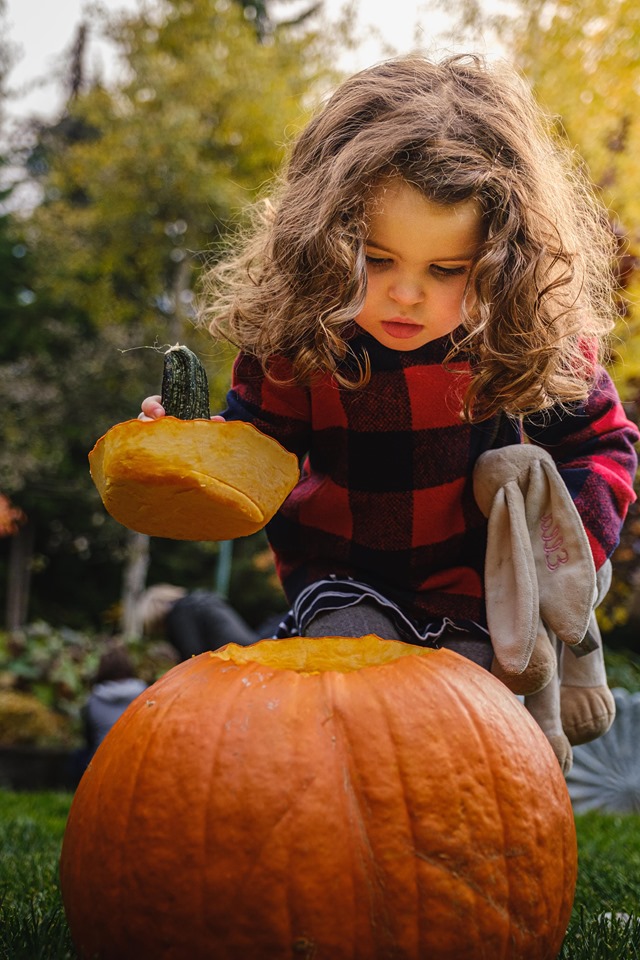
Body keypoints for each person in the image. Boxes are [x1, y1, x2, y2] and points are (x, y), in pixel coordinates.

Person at [140, 54, 639, 675]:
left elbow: (602, 445)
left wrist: (561, 561)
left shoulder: (524, 336)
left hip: (481, 593)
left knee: (471, 718)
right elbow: (256, 451)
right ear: (323, 239)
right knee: (353, 678)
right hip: (344, 577)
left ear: (502, 261)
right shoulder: (302, 336)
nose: (406, 294)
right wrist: (188, 448)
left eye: (446, 270)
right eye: (376, 261)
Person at [136, 583, 257, 659]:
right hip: (248, 651)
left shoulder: (180, 613)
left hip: (231, 659)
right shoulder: (199, 602)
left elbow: (193, 655)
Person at [81, 645, 147, 759]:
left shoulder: (94, 699)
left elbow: (89, 737)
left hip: (102, 760)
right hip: (139, 756)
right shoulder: (146, 693)